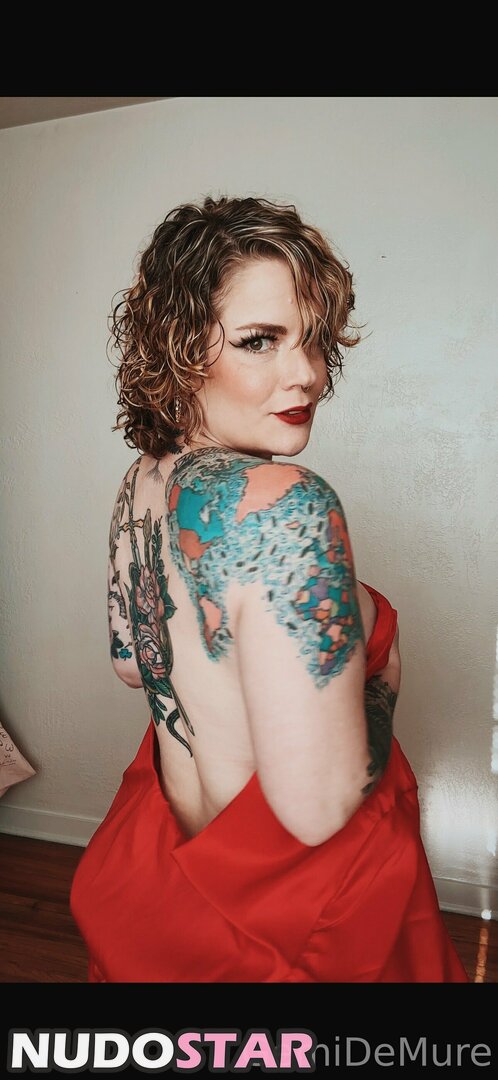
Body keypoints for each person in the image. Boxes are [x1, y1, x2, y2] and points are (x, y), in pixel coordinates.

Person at [70, 195, 468, 983]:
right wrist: (381, 684)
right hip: (296, 922)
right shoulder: (287, 502)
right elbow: (317, 810)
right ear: (180, 349)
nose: (308, 373)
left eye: (314, 339)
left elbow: (131, 661)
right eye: (260, 341)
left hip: (167, 878)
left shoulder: (141, 483)